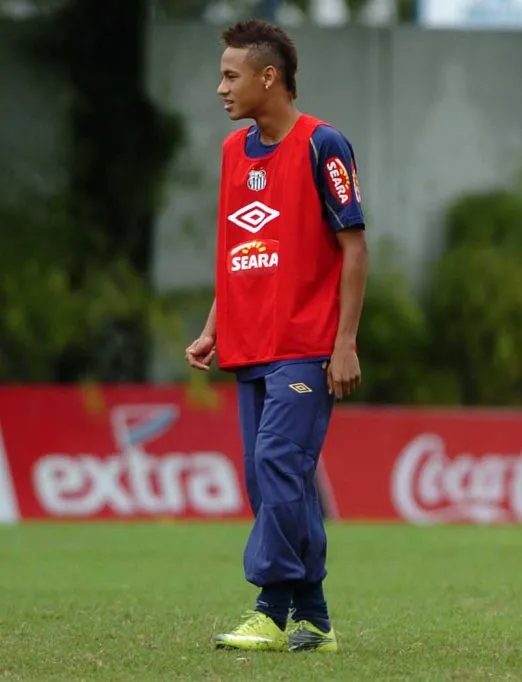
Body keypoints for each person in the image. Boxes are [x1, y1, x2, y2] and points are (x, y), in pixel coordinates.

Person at [185, 19, 369, 654]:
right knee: (268, 482)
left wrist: (344, 342)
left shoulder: (325, 144)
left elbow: (354, 247)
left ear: (270, 78)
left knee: (279, 463)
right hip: (247, 345)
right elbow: (243, 248)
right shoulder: (234, 152)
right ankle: (313, 616)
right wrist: (213, 327)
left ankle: (270, 607)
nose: (220, 88)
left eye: (231, 75)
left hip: (305, 344)